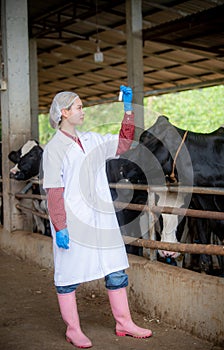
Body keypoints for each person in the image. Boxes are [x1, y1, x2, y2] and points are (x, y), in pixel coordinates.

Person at [42, 85, 152, 349]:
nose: (83, 111)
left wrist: (128, 111)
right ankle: (73, 329)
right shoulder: (53, 149)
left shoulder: (91, 140)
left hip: (101, 219)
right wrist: (60, 226)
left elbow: (123, 144)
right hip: (73, 222)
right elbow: (54, 191)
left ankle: (124, 323)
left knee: (115, 270)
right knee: (68, 278)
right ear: (64, 112)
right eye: (79, 107)